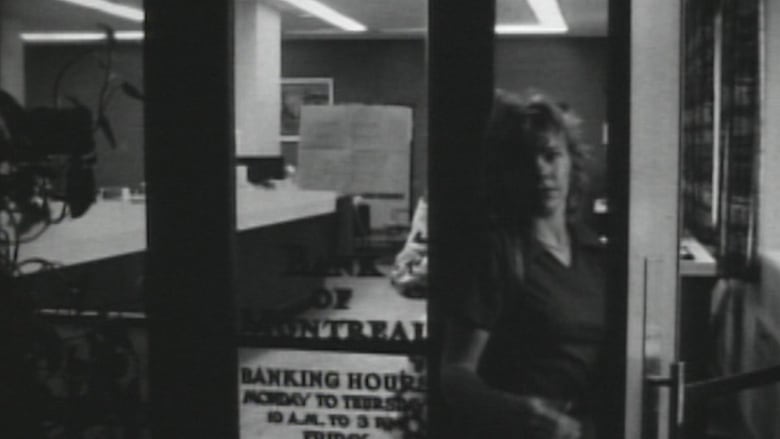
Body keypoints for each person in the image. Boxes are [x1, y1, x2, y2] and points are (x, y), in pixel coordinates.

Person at [440, 90, 607, 439]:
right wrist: (518, 413)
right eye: (524, 159)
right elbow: (454, 374)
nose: (540, 170)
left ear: (571, 162)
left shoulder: (594, 253)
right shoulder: (498, 253)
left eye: (551, 155)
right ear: (507, 172)